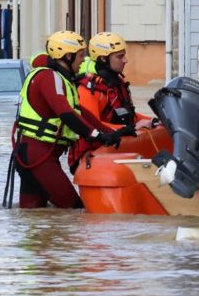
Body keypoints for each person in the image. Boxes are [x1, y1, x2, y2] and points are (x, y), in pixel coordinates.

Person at [12, 30, 121, 209]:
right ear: (68, 56)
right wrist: (96, 135)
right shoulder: (49, 77)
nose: (83, 61)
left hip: (32, 154)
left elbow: (80, 112)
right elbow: (66, 114)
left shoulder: (60, 77)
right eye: (80, 56)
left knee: (33, 217)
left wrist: (109, 132)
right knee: (75, 211)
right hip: (40, 156)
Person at [67, 32, 157, 171]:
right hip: (94, 154)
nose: (125, 60)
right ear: (103, 59)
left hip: (117, 148)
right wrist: (129, 129)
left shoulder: (116, 83)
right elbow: (91, 125)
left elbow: (128, 115)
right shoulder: (89, 88)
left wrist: (153, 121)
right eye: (120, 56)